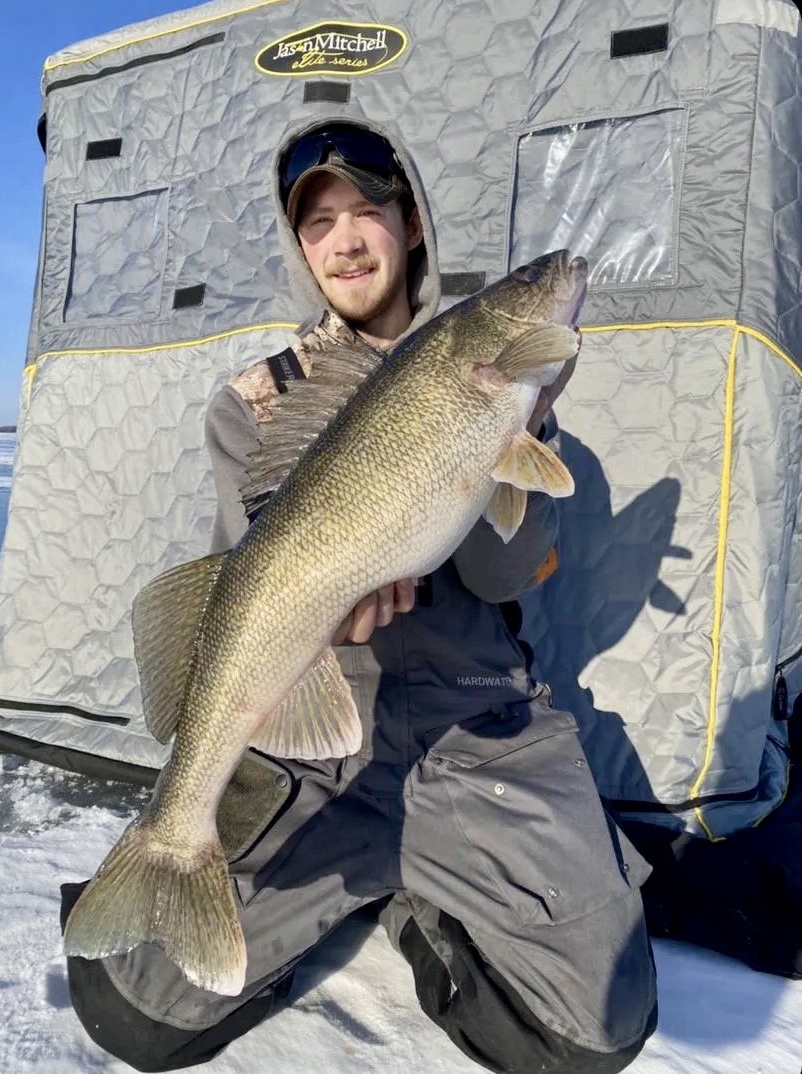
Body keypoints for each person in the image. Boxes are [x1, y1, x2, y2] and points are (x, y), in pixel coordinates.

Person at [61, 118, 657, 1073]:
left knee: (595, 1028)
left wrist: (528, 416)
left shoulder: (494, 385)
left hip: (474, 724)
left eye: (367, 212)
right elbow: (242, 600)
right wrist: (321, 617)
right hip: (328, 733)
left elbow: (505, 577)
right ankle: (213, 852)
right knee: (134, 1006)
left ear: (411, 224)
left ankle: (423, 895)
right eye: (318, 223)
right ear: (300, 247)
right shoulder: (255, 400)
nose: (343, 240)